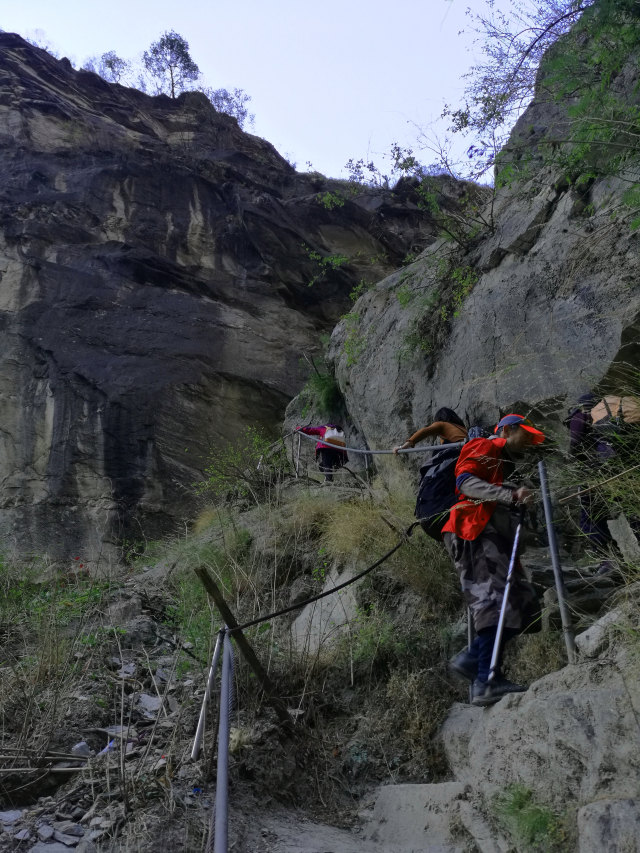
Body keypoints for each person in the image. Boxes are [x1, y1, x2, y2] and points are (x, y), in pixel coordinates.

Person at [441, 413, 545, 707]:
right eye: (525, 435)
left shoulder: (500, 462)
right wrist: (509, 495)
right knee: (494, 600)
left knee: (522, 601)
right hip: (472, 530)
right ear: (508, 429)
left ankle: (479, 668)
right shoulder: (486, 446)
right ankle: (484, 676)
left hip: (488, 534)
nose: (527, 443)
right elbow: (464, 482)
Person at [393, 407, 468, 454]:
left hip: (462, 452)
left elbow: (424, 431)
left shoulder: (441, 424)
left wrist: (402, 447)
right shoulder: (463, 429)